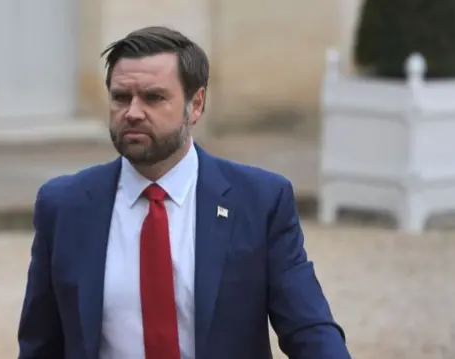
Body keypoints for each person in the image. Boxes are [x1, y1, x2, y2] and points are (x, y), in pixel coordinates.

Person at [17, 26, 351, 359]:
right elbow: (40, 344)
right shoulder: (64, 206)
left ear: (196, 105)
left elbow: (308, 328)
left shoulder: (259, 201)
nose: (132, 112)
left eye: (153, 97)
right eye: (121, 97)